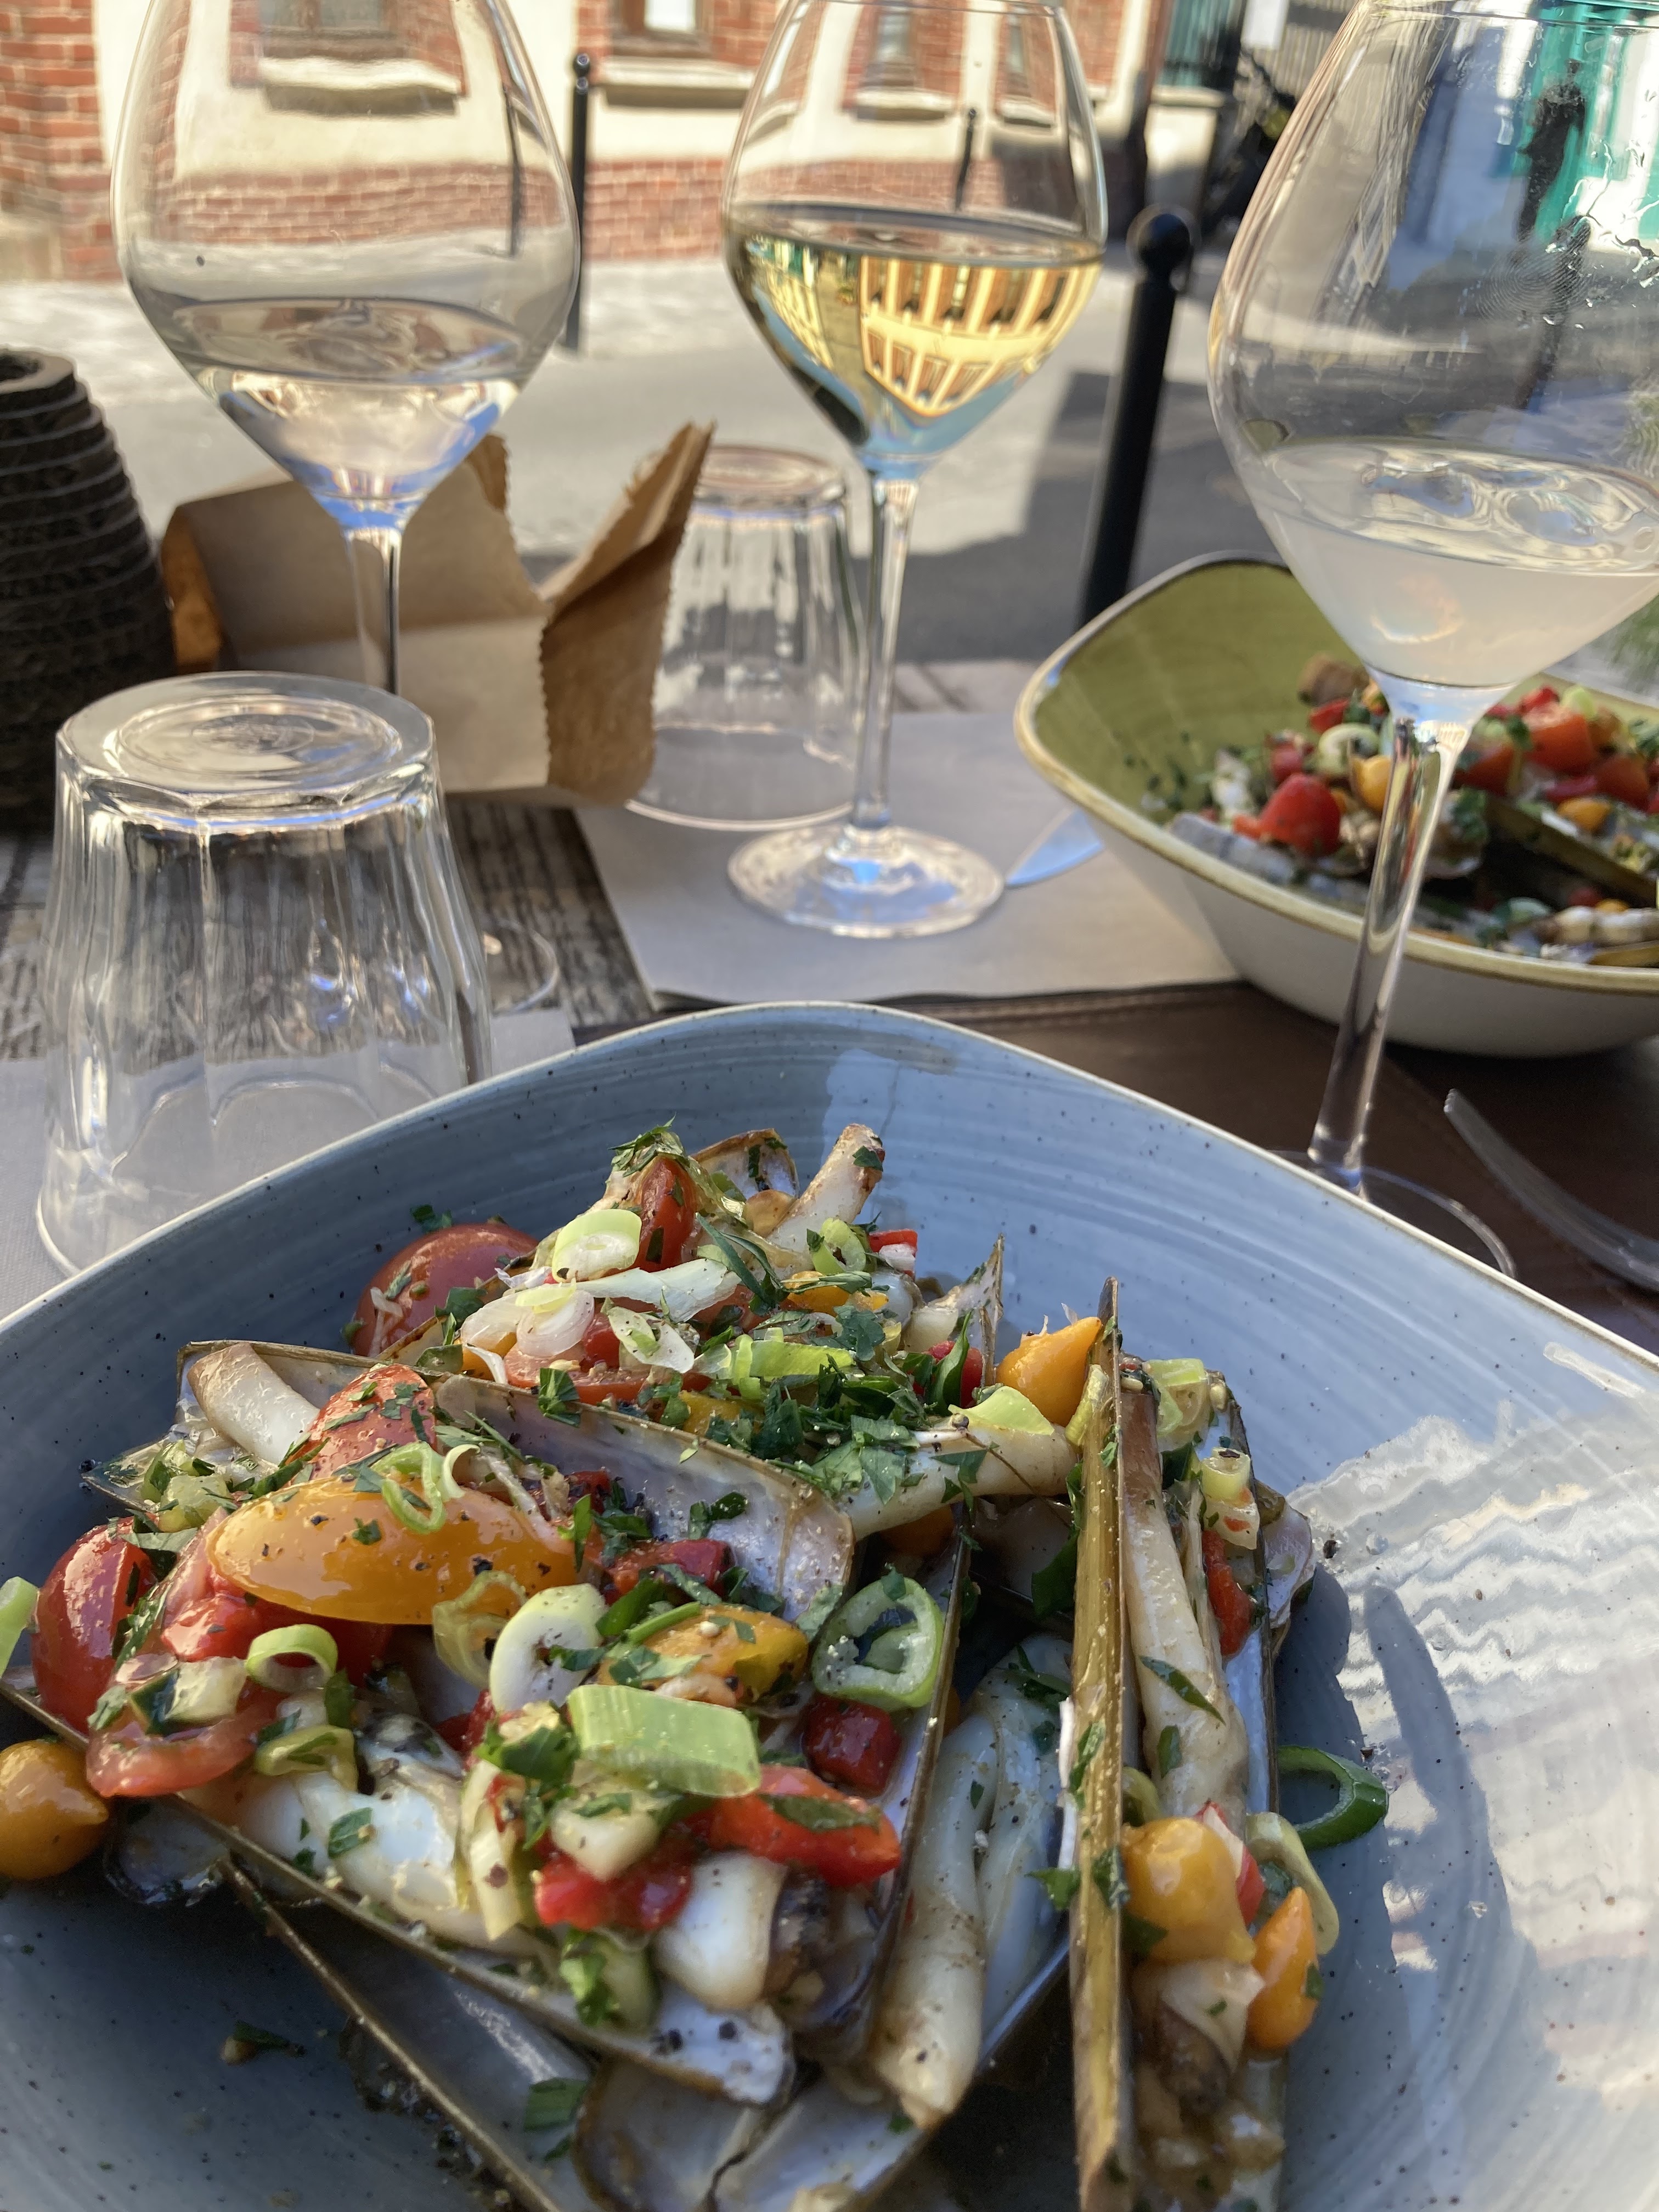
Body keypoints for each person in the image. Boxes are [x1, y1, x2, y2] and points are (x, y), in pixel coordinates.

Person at [1517, 59, 1587, 240]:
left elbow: (1539, 122)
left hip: (1548, 152)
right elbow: (1540, 122)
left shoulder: (1564, 95)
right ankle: (1524, 232)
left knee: (1535, 194)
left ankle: (1524, 232)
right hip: (1548, 152)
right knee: (1535, 194)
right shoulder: (1565, 96)